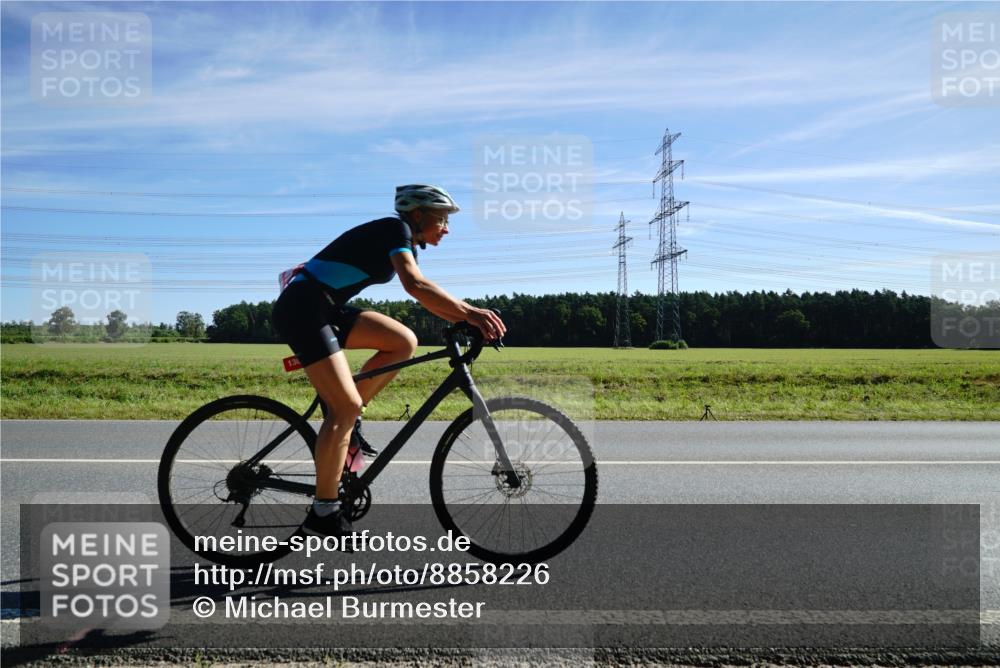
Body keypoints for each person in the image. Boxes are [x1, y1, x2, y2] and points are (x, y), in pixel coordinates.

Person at [271, 184, 506, 536]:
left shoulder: (406, 241)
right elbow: (415, 286)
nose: (446, 227)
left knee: (402, 341)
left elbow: (422, 289)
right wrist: (470, 313)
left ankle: (349, 417)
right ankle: (323, 512)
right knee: (343, 408)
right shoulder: (395, 229)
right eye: (441, 218)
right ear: (417, 215)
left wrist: (462, 318)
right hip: (303, 309)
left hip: (325, 307)